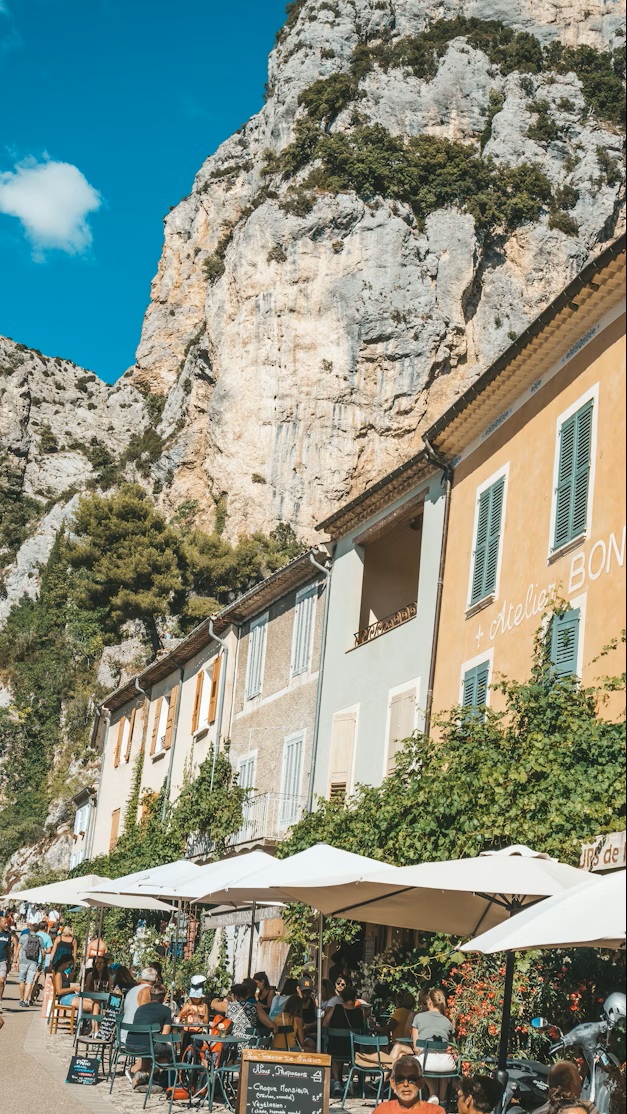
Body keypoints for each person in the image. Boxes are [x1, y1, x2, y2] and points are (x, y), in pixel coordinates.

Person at [410, 988, 456, 1100]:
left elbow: (416, 1047)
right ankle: (442, 1100)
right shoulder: (448, 1022)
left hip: (427, 1062)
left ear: (429, 1002)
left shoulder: (418, 1018)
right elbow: (452, 1046)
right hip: (446, 1065)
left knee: (422, 1060)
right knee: (440, 1061)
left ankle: (432, 1094)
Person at [126, 982, 173, 1089]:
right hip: (147, 1046)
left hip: (130, 1044)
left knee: (152, 1048)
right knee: (168, 1053)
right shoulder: (166, 1011)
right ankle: (144, 1073)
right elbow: (164, 1037)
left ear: (150, 996)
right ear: (164, 997)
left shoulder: (140, 1009)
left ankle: (134, 1070)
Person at [323, 984, 365, 1097]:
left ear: (341, 998)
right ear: (355, 997)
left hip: (336, 1048)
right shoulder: (359, 1012)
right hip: (352, 1050)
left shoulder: (335, 1009)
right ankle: (349, 1081)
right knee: (357, 1058)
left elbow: (324, 1023)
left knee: (335, 1057)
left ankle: (337, 1082)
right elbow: (363, 1028)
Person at [376, 1056, 444, 1112]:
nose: (406, 1084)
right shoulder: (383, 1110)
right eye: (400, 1079)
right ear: (393, 1083)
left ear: (421, 1083)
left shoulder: (435, 1111)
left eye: (412, 1079)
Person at [534, 1062, 599, 1114]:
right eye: (577, 1075)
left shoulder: (538, 1111)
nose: (581, 1078)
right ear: (572, 1085)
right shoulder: (587, 1108)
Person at [18, 922, 43, 1007]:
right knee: (29, 981)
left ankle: (21, 999)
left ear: (30, 929)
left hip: (23, 960)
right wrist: (41, 963)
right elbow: (42, 952)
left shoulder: (24, 937)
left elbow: (18, 948)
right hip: (34, 962)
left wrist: (15, 960)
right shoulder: (40, 939)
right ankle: (25, 1000)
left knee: (22, 980)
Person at [0, 913, 15, 1014]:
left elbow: (9, 950)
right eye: (4, 922)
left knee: (1, 981)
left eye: (7, 923)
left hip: (2, 961)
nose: (6, 924)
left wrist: (10, 962)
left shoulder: (7, 935)